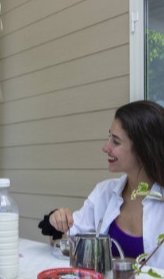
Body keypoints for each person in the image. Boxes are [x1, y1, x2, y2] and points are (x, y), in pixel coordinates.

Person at [38, 100, 164, 267]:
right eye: (109, 137)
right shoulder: (104, 193)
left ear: (143, 149)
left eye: (116, 141)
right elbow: (65, 241)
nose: (106, 147)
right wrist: (57, 221)